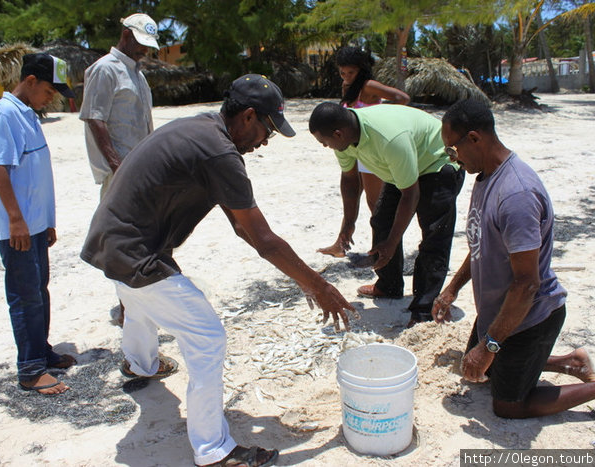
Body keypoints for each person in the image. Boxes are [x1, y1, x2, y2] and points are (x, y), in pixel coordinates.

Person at [80, 74, 356, 467]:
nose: (264, 142)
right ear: (246, 116)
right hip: (134, 253)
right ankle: (213, 451)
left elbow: (243, 227)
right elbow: (263, 238)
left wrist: (305, 282)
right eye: (267, 130)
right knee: (208, 339)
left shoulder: (204, 129)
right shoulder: (219, 153)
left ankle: (140, 363)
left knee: (139, 303)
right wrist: (319, 286)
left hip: (110, 242)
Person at [432, 99, 595, 418]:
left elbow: (527, 284)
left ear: (474, 138)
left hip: (530, 314)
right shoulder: (485, 177)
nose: (453, 158)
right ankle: (571, 362)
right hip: (499, 309)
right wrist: (452, 288)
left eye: (452, 149)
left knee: (508, 406)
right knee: (478, 372)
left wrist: (489, 346)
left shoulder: (516, 194)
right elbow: (480, 246)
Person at [309, 102, 465, 327]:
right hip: (402, 168)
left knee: (434, 235)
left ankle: (424, 309)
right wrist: (348, 224)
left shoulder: (389, 139)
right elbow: (351, 180)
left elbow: (410, 194)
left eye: (324, 142)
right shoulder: (344, 139)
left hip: (436, 162)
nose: (325, 146)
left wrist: (392, 243)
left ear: (338, 133)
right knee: (382, 221)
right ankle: (389, 286)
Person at [0, 53, 77, 395]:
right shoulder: (5, 114)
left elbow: (35, 173)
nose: (51, 97)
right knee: (24, 296)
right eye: (50, 90)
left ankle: (42, 351)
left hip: (35, 223)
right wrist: (16, 220)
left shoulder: (29, 115)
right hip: (18, 226)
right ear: (31, 81)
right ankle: (29, 369)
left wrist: (47, 221)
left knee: (39, 289)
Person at [79, 13, 160, 326]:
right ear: (126, 34)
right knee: (123, 240)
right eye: (140, 43)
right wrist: (117, 164)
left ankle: (138, 301)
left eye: (147, 46)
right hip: (121, 171)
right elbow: (95, 118)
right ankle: (128, 308)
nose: (144, 51)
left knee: (143, 236)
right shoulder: (104, 69)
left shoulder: (138, 75)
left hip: (142, 169)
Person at [318, 46, 410, 258]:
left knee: (374, 203)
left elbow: (401, 97)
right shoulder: (348, 88)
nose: (347, 77)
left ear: (361, 69)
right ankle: (341, 244)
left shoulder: (368, 86)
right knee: (350, 197)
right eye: (343, 72)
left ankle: (385, 246)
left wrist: (380, 115)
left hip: (371, 148)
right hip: (353, 150)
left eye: (351, 72)